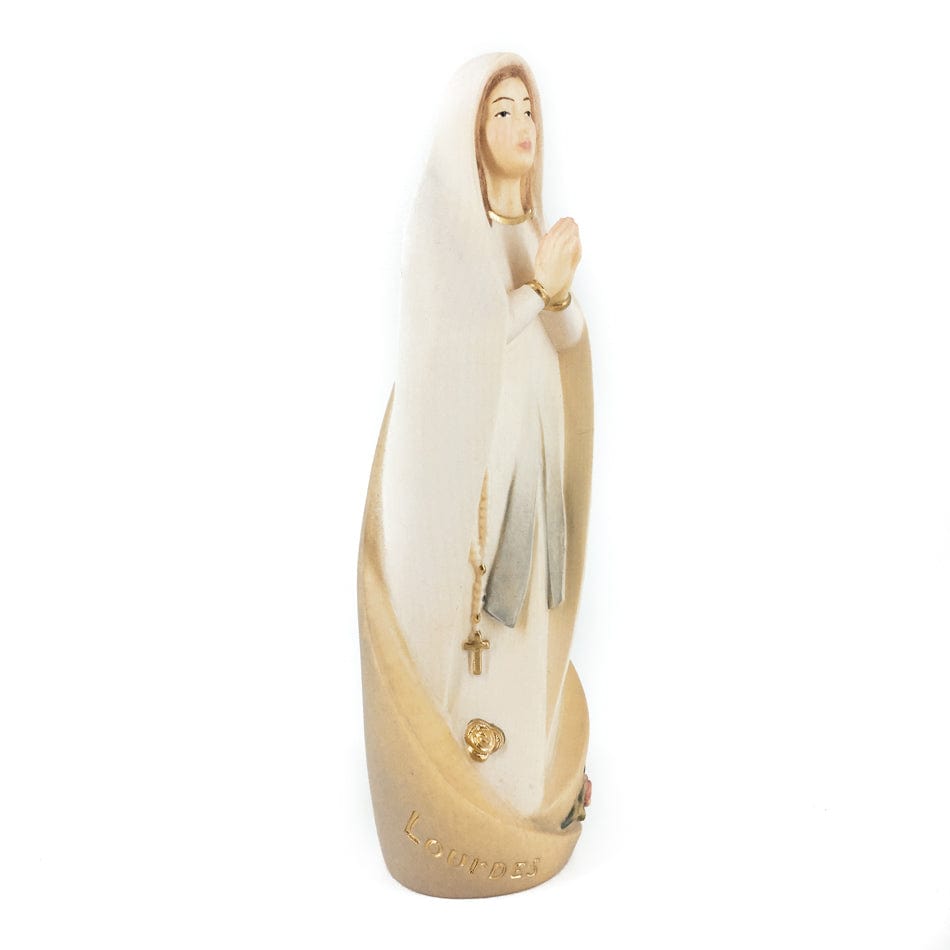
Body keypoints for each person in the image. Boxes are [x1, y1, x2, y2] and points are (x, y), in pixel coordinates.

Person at [359, 52, 593, 896]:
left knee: (526, 623)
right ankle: (464, 784)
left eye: (528, 107)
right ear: (470, 129)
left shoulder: (531, 230)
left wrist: (557, 296)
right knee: (479, 626)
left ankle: (519, 781)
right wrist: (539, 290)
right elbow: (458, 348)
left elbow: (565, 340)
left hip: (533, 461)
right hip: (476, 481)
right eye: (502, 110)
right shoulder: (452, 235)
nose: (523, 123)